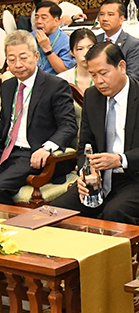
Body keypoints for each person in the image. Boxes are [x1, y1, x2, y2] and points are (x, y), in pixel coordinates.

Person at [50, 42, 139, 224]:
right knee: (56, 212)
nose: (99, 81)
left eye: (103, 73)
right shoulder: (92, 97)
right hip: (100, 178)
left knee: (114, 214)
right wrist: (86, 173)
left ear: (121, 67)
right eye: (93, 75)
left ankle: (115, 253)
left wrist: (120, 159)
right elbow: (85, 146)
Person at [0, 30, 77, 204]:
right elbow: (4, 123)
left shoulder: (55, 86)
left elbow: (69, 125)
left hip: (34, 153)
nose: (18, 64)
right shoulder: (7, 86)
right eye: (11, 60)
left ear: (36, 56)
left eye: (23, 58)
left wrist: (47, 148)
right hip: (7, 151)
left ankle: (13, 227)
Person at [96, 0, 139, 81]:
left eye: (110, 15)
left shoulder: (133, 45)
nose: (104, 19)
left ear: (121, 19)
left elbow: (133, 78)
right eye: (102, 14)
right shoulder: (94, 40)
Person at [33, 1, 76, 75]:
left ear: (56, 21)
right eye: (36, 17)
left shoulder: (66, 42)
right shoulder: (29, 38)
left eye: (43, 18)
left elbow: (65, 72)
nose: (39, 21)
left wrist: (48, 49)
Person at [57, 28, 96, 93]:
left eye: (90, 47)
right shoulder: (61, 80)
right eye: (80, 49)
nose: (85, 53)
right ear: (72, 52)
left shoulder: (105, 79)